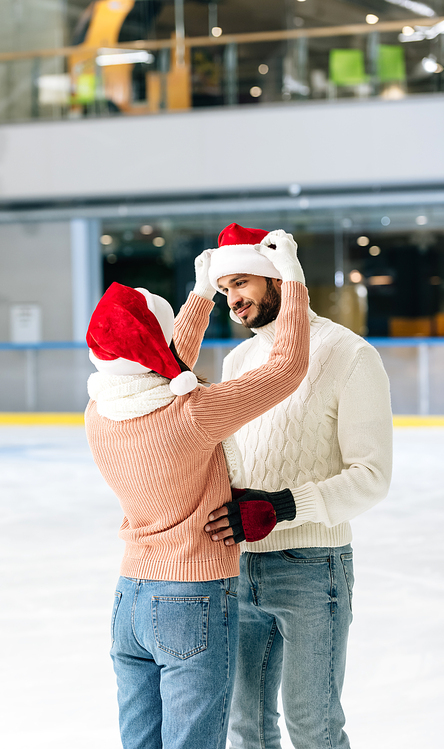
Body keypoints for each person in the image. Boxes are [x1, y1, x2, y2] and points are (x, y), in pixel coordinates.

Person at [84, 231, 310, 749]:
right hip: (190, 600)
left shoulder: (99, 412)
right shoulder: (191, 415)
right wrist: (292, 279)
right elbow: (289, 367)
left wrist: (200, 293)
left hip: (130, 603)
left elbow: (159, 360)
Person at [204, 223, 393, 749]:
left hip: (313, 570)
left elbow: (372, 477)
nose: (233, 300)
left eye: (241, 283)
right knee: (246, 728)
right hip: (239, 563)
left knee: (313, 728)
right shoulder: (238, 361)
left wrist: (285, 506)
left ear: (276, 278)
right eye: (224, 290)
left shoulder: (348, 354)